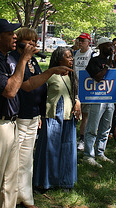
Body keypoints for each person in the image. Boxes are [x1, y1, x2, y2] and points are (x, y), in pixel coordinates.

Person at [0, 20, 71, 208]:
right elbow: (10, 90)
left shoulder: (6, 58)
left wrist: (50, 72)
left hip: (9, 124)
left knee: (9, 181)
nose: (15, 36)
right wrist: (24, 60)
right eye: (10, 33)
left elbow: (27, 84)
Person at [8, 27, 72, 208]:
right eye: (29, 41)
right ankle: (10, 197)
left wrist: (40, 114)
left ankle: (25, 197)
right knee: (14, 160)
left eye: (35, 41)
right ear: (19, 41)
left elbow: (40, 87)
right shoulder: (15, 60)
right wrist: (51, 71)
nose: (33, 45)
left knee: (27, 161)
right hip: (18, 115)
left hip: (32, 115)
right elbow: (27, 86)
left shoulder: (32, 61)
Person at [33, 46, 81, 192]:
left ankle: (65, 181)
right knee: (49, 149)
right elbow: (39, 96)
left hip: (68, 116)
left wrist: (77, 101)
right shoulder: (49, 75)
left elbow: (74, 93)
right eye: (68, 56)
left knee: (67, 148)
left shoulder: (72, 75)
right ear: (59, 59)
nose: (71, 58)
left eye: (72, 56)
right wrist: (40, 115)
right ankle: (44, 181)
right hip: (52, 115)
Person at [83, 37, 116, 168]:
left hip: (110, 98)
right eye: (109, 46)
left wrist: (114, 63)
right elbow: (98, 77)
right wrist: (109, 64)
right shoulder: (94, 61)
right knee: (92, 127)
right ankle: (88, 155)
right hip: (97, 98)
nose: (112, 48)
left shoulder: (113, 61)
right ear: (101, 47)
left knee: (105, 127)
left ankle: (100, 152)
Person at [73, 32, 92, 151]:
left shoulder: (92, 54)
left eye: (83, 40)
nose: (80, 42)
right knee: (74, 113)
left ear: (89, 42)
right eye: (79, 40)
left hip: (87, 89)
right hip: (75, 87)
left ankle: (82, 139)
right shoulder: (75, 53)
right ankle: (71, 137)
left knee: (85, 115)